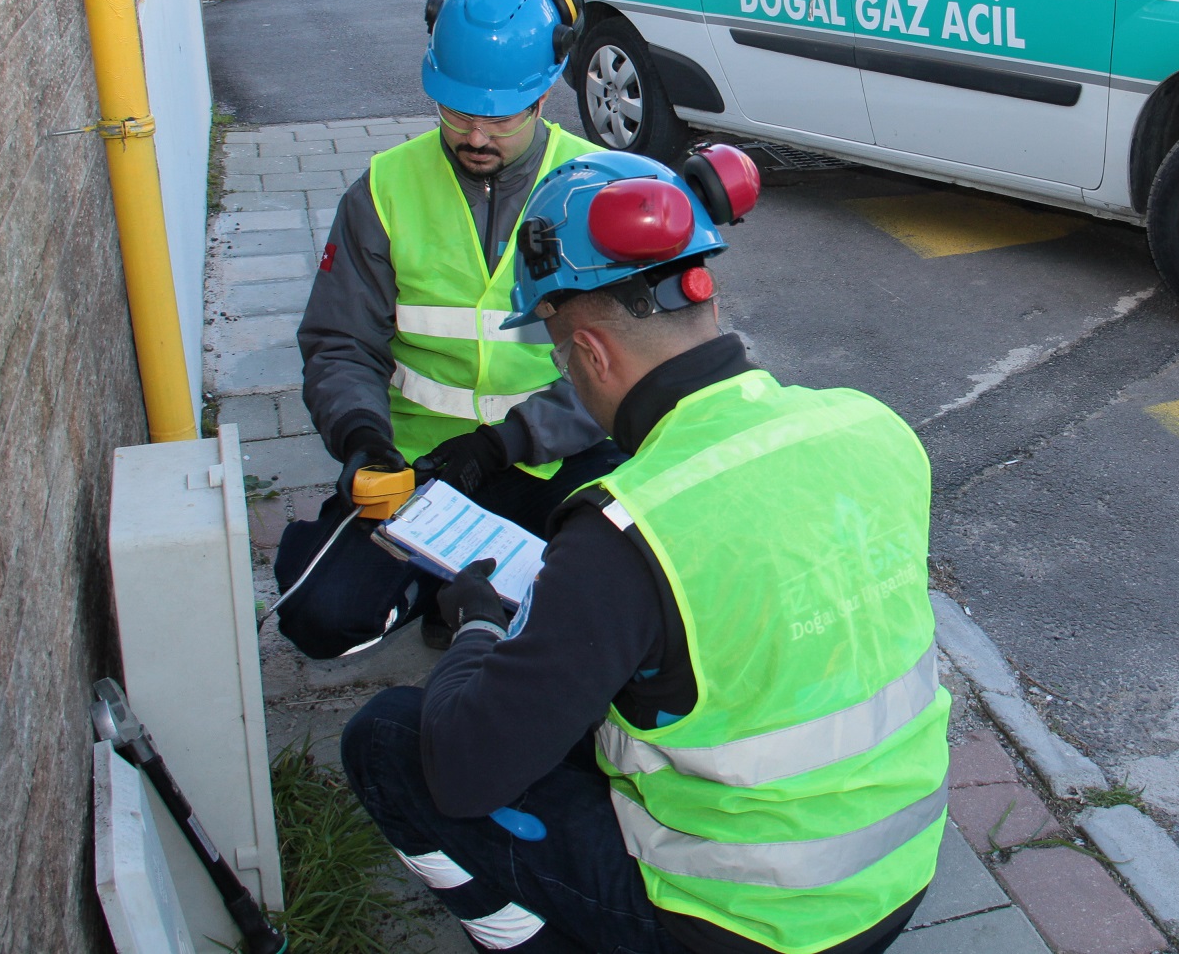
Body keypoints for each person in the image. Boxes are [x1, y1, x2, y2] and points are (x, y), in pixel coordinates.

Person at [340, 148, 951, 954]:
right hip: (896, 873)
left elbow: (464, 769)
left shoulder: (626, 531)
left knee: (389, 740)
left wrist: (480, 630)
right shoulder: (870, 425)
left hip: (746, 922)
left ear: (590, 352)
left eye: (559, 355)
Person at [276, 0, 624, 658]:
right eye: (458, 110)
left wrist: (503, 445)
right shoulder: (382, 191)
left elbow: (632, 364)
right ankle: (461, 592)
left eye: (499, 116)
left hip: (559, 460)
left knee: (624, 604)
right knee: (318, 613)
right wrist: (362, 439)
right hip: (420, 469)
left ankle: (479, 601)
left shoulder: (598, 190)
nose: (476, 135)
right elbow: (341, 343)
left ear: (541, 97)